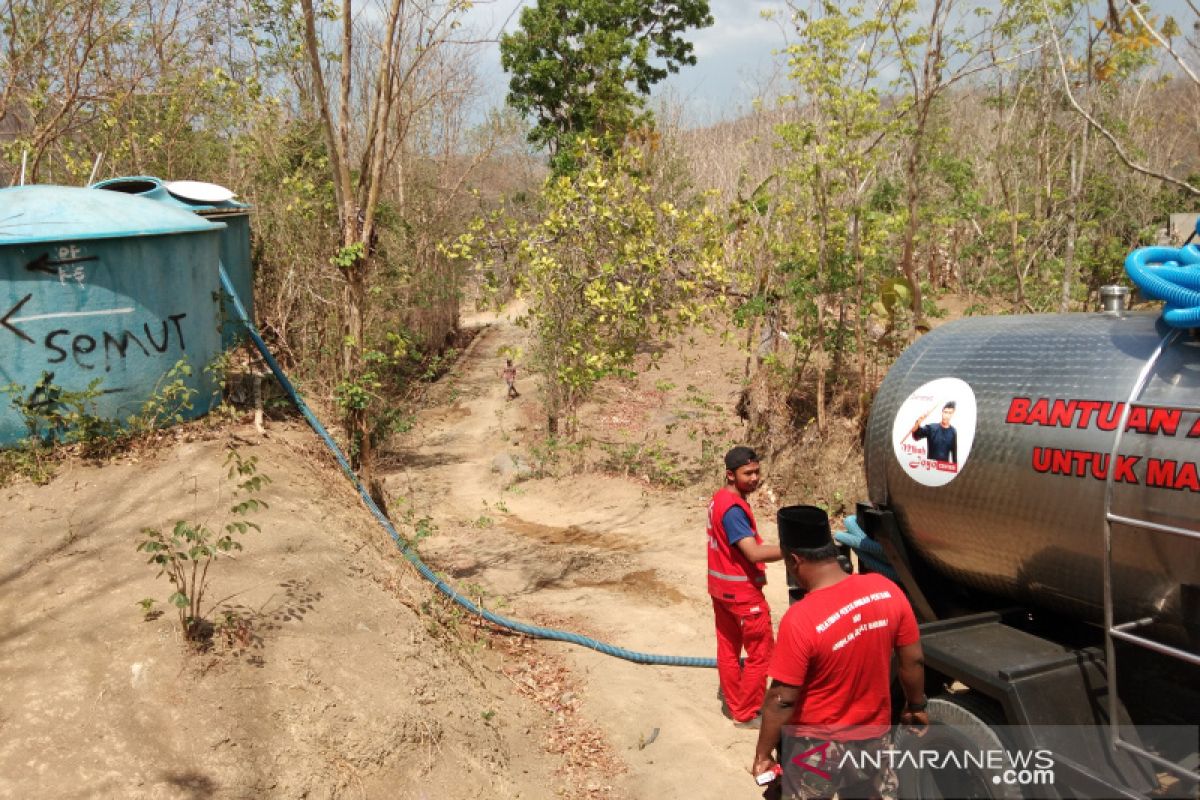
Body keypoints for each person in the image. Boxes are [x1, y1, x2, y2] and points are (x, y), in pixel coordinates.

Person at [752, 505, 927, 799]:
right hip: (873, 739)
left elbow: (782, 699)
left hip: (817, 748)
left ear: (794, 560)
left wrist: (763, 754)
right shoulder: (886, 590)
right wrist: (916, 706)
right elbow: (914, 659)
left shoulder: (801, 618)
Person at [708, 446, 783, 728]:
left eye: (757, 472)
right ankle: (748, 713)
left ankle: (734, 704)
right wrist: (793, 550)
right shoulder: (733, 510)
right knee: (761, 652)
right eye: (747, 473)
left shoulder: (719, 499)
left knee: (728, 649)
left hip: (720, 588)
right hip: (742, 594)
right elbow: (753, 553)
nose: (754, 478)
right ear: (730, 475)